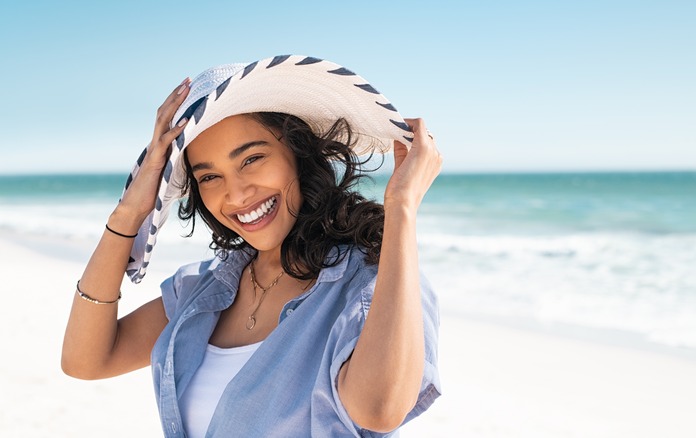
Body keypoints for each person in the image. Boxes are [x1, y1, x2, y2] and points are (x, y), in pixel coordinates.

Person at [61, 55, 442, 437]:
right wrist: (129, 213)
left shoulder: (373, 285)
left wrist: (402, 209)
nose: (237, 194)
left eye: (252, 158)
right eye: (209, 176)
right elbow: (85, 360)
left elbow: (379, 410)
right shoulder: (200, 291)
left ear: (298, 153)